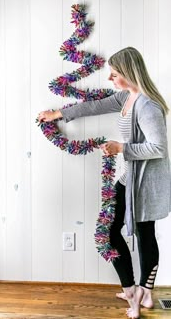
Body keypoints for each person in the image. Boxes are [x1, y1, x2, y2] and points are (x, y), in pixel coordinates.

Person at [38, 47, 171, 319]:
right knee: (109, 233)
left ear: (129, 73)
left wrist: (121, 148)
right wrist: (58, 114)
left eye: (115, 73)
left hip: (145, 184)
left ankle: (143, 293)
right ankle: (133, 289)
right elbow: (95, 106)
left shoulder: (147, 105)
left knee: (144, 234)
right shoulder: (126, 97)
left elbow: (158, 147)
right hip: (129, 177)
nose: (110, 78)